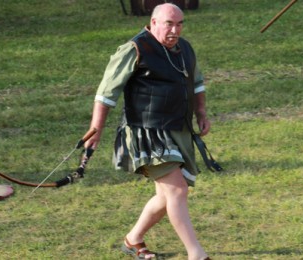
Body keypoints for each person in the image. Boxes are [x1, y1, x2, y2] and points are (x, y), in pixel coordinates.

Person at [84, 4, 211, 260]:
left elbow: (196, 82)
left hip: (176, 130)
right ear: (153, 23)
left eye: (179, 24)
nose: (174, 30)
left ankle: (133, 240)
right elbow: (106, 93)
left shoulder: (185, 48)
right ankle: (196, 254)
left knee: (166, 196)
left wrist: (201, 112)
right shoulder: (134, 49)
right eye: (168, 24)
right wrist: (96, 129)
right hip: (145, 132)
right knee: (176, 191)